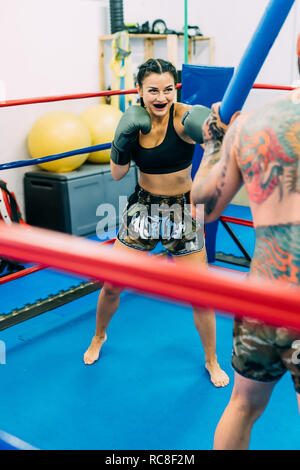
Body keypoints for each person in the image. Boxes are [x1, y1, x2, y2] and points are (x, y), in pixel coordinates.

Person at [83, 58, 229, 388]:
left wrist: (210, 134)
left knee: (201, 294)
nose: (161, 97)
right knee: (111, 284)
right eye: (153, 91)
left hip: (183, 210)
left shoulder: (185, 117)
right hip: (144, 208)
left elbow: (218, 144)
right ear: (140, 91)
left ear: (175, 89)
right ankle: (99, 336)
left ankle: (211, 359)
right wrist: (122, 139)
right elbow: (117, 173)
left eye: (167, 89)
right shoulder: (133, 121)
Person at [190, 36, 300, 449]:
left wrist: (216, 144)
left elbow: (202, 206)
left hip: (262, 301)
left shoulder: (251, 125)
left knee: (242, 406)